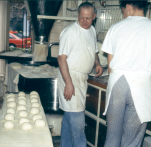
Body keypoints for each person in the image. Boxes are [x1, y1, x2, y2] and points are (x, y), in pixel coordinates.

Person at [101, 0, 151, 146]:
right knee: (131, 141)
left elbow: (110, 67)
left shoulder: (115, 28)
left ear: (127, 7)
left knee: (112, 137)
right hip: (141, 87)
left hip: (117, 84)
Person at [57, 2, 103, 147]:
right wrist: (69, 83)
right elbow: (61, 58)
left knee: (68, 120)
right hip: (70, 77)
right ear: (78, 15)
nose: (84, 21)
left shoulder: (92, 31)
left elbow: (94, 50)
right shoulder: (71, 32)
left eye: (88, 18)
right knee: (77, 124)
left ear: (94, 17)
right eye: (81, 17)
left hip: (82, 79)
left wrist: (97, 63)